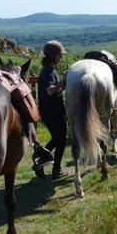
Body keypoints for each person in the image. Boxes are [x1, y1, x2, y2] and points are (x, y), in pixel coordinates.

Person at [35, 40, 68, 181]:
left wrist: (63, 84)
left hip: (50, 112)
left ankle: (40, 162)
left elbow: (56, 90)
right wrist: (64, 80)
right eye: (59, 55)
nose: (61, 57)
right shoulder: (49, 72)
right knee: (60, 141)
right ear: (52, 56)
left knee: (57, 139)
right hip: (53, 113)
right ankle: (56, 170)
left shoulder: (49, 71)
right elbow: (50, 91)